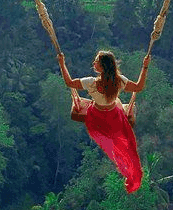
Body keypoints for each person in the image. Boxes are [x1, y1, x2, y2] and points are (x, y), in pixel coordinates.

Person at [58, 50, 151, 193]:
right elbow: (139, 87)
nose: (93, 63)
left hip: (97, 117)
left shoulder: (91, 83)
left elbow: (69, 82)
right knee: (126, 146)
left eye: (96, 61)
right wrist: (145, 67)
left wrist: (61, 64)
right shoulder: (119, 80)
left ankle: (130, 173)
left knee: (119, 147)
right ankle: (132, 175)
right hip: (114, 115)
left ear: (101, 67)